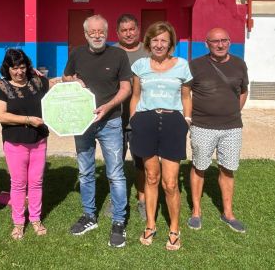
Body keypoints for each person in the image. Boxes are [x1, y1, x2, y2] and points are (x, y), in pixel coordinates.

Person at [62, 14, 132, 248]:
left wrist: (110, 106)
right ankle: (89, 216)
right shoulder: (77, 54)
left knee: (115, 173)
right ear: (85, 34)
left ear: (107, 31)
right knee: (85, 171)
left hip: (111, 121)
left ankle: (119, 221)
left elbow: (126, 88)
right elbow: (65, 76)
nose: (96, 35)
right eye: (92, 32)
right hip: (82, 122)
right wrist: (73, 80)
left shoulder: (119, 55)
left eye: (100, 31)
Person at [129, 21, 192, 251]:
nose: (159, 44)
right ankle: (150, 224)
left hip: (173, 123)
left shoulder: (182, 66)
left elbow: (186, 97)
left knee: (171, 182)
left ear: (171, 44)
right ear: (148, 43)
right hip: (145, 121)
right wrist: (134, 119)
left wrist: (186, 121)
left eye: (163, 40)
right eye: (154, 40)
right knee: (151, 177)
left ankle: (174, 228)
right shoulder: (139, 66)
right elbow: (135, 95)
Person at [187, 28, 249, 233]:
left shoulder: (239, 64)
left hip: (231, 127)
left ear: (230, 42)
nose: (220, 45)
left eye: (224, 40)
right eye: (215, 41)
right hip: (202, 126)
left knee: (228, 168)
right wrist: (189, 117)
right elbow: (186, 92)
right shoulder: (195, 65)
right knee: (199, 167)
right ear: (207, 44)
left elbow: (243, 91)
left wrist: (232, 112)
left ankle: (228, 213)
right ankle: (196, 212)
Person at [0, 49, 59, 240]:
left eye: (22, 67)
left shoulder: (37, 82)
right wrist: (28, 119)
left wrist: (73, 84)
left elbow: (58, 90)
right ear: (8, 68)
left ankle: (36, 219)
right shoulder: (1, 86)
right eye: (14, 68)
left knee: (36, 182)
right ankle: (19, 222)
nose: (19, 72)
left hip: (38, 140)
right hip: (15, 142)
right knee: (19, 183)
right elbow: (0, 115)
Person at [114, 13, 149, 221]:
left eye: (132, 29)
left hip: (142, 118)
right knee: (115, 162)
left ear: (138, 30)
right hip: (115, 119)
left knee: (142, 162)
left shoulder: (149, 51)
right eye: (124, 30)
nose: (128, 33)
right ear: (117, 33)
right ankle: (117, 199)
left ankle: (143, 199)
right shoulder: (110, 52)